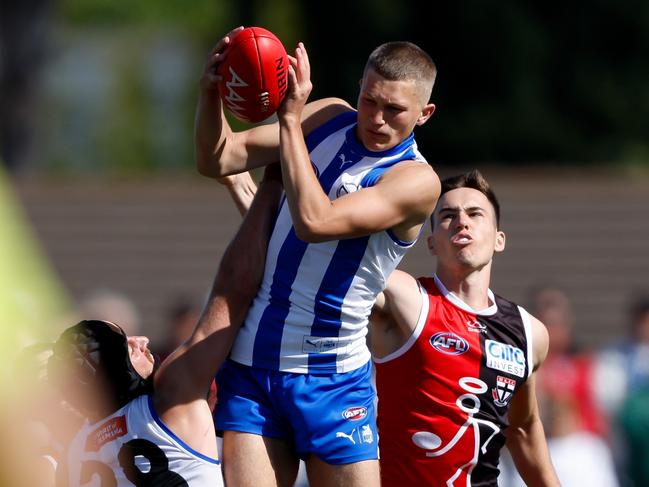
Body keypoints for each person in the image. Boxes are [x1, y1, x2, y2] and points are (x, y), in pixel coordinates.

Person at [195, 27, 441, 486]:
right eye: (370, 100)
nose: (377, 119)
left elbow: (316, 222)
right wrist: (211, 95)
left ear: (425, 113)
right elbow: (220, 158)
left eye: (395, 110)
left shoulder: (416, 181)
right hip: (253, 365)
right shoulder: (328, 115)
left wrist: (289, 121)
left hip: (333, 378)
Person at [46, 167, 282, 486]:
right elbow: (233, 290)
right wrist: (272, 180)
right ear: (116, 369)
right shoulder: (172, 392)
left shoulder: (73, 455)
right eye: (126, 344)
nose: (141, 339)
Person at [369, 170, 561, 486]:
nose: (462, 221)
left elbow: (523, 428)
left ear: (499, 239)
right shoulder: (406, 298)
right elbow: (341, 267)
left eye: (475, 213)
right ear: (431, 243)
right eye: (447, 215)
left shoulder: (530, 333)